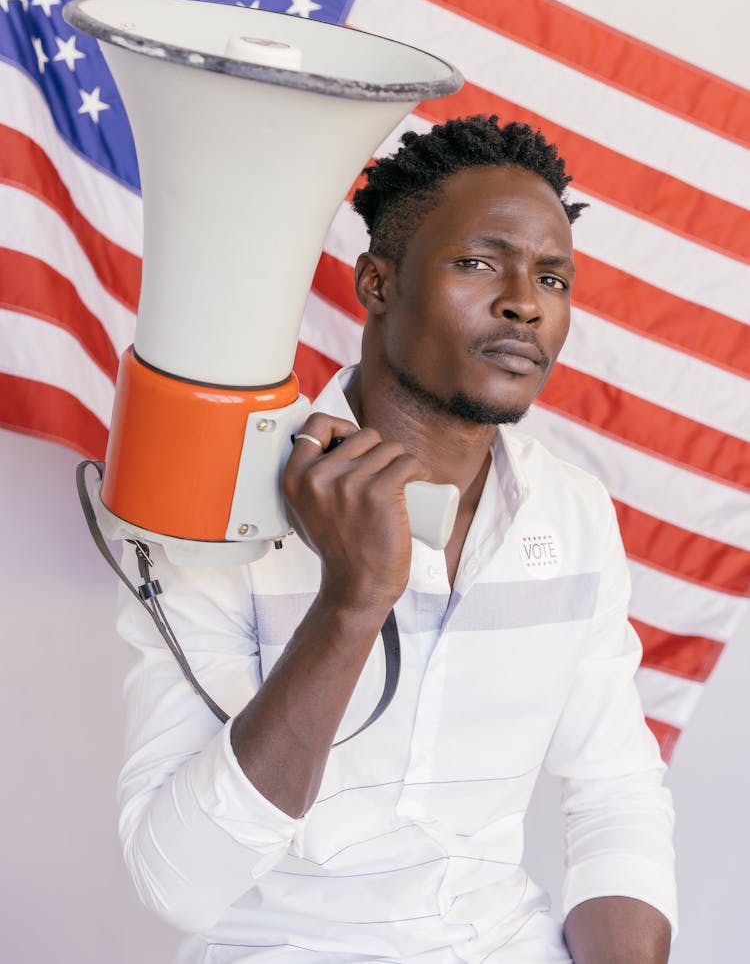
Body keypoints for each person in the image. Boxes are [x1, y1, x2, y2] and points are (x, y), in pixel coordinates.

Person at [117, 115, 676, 964]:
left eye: (552, 277)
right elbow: (179, 883)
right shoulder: (217, 517)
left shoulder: (574, 513)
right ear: (377, 282)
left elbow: (616, 791)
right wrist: (351, 601)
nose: (525, 301)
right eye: (479, 262)